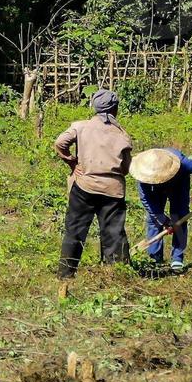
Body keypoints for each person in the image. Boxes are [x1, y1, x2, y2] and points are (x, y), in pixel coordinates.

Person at [53, 88, 134, 279]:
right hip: (112, 192)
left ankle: (65, 274)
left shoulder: (80, 126)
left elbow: (60, 142)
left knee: (75, 231)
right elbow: (126, 167)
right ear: (115, 109)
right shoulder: (122, 135)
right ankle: (116, 275)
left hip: (84, 186)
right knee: (113, 234)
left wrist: (72, 162)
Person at [129, 148, 192, 273]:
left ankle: (177, 259)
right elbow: (146, 200)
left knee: (179, 217)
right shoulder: (143, 174)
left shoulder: (182, 163)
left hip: (178, 184)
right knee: (154, 220)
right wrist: (163, 219)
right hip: (153, 190)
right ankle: (154, 259)